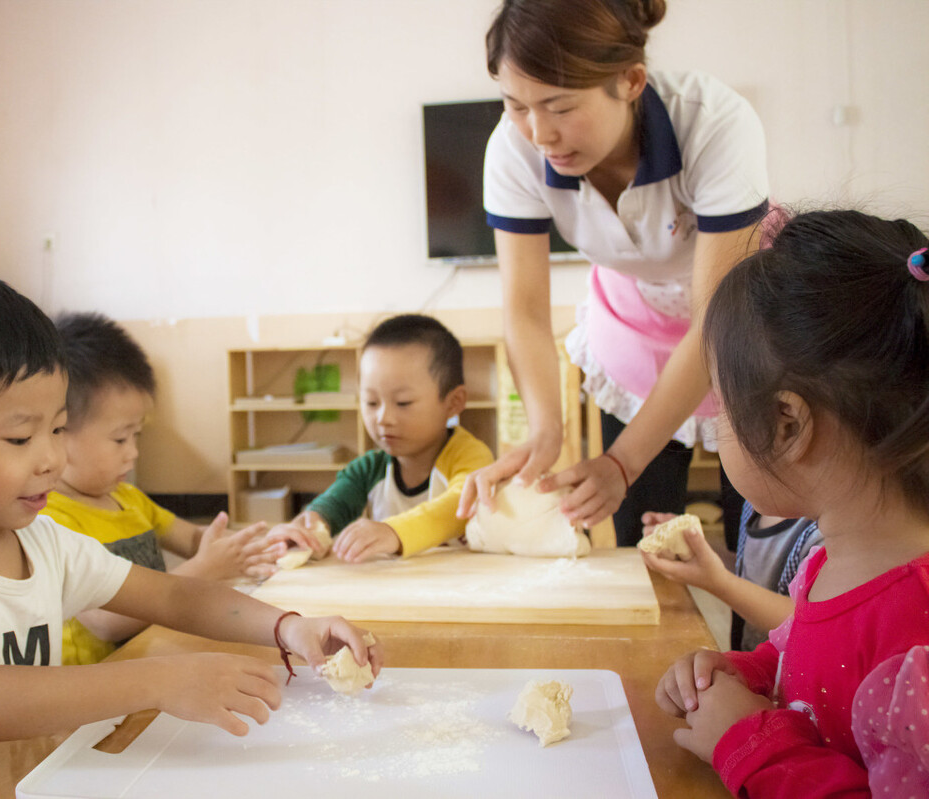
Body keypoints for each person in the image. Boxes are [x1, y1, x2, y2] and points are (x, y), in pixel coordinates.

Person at [0, 274, 382, 798]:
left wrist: (288, 627)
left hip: (17, 774)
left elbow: (170, 594)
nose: (52, 458)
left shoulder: (44, 544)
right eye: (21, 437)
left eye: (57, 429)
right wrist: (159, 680)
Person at [457, 0, 769, 546]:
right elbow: (525, 311)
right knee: (640, 538)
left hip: (737, 318)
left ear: (630, 81)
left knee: (759, 525)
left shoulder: (713, 122)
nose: (539, 134)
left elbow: (715, 319)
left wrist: (621, 461)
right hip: (631, 320)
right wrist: (546, 432)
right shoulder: (514, 149)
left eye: (558, 106)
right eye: (516, 105)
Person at [655, 210, 929, 795]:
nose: (716, 429)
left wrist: (749, 741)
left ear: (786, 424)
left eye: (721, 411)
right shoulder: (831, 561)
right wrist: (740, 676)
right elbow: (806, 674)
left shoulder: (915, 643)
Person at [46, 312, 276, 664]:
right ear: (58, 433)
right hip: (99, 691)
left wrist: (251, 545)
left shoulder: (128, 499)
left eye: (136, 435)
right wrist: (205, 569)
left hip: (155, 659)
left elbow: (194, 539)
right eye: (120, 438)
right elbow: (106, 623)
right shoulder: (51, 521)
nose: (133, 452)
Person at [267, 314, 494, 563]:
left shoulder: (471, 456)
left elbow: (457, 508)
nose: (383, 418)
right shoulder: (369, 469)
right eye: (371, 402)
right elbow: (332, 506)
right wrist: (305, 530)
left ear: (453, 403)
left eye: (403, 403)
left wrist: (394, 532)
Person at [639, 503, 821, 651]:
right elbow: (748, 568)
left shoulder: (821, 535)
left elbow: (811, 625)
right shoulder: (754, 504)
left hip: (788, 686)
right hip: (750, 668)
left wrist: (720, 583)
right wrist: (695, 548)